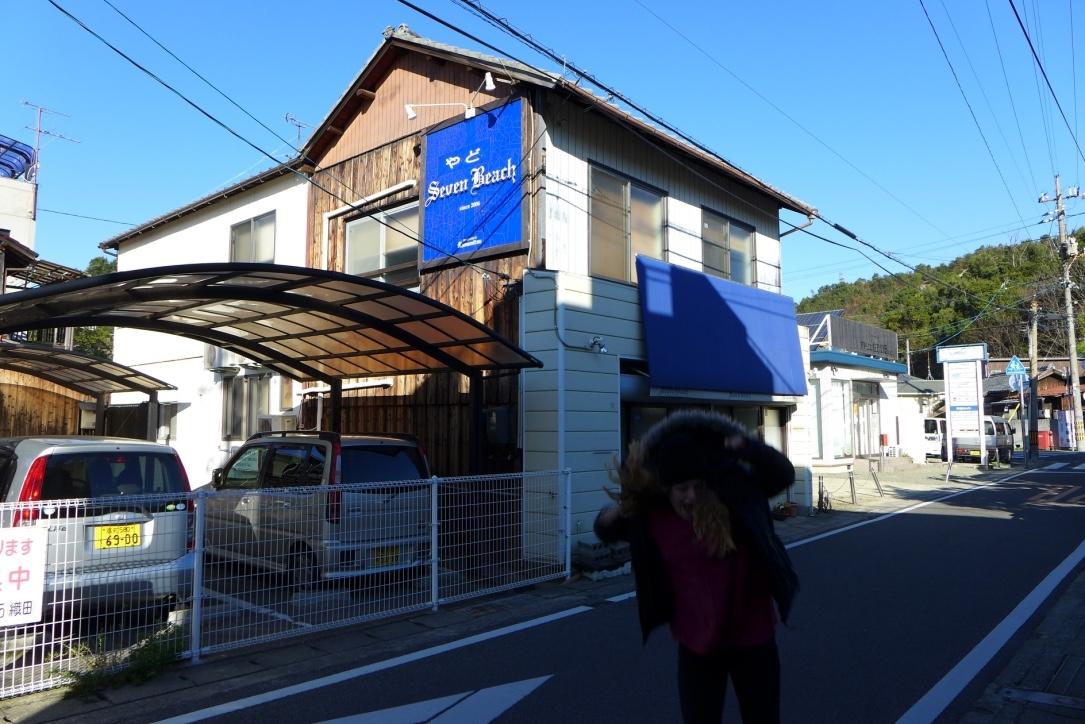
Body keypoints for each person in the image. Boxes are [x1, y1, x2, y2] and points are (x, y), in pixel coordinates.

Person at [594, 409, 799, 723]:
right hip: (696, 646)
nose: (690, 497)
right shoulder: (655, 515)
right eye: (681, 489)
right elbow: (606, 529)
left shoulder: (735, 499)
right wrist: (610, 517)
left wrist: (747, 446)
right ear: (666, 489)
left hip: (753, 638)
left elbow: (782, 474)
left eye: (697, 487)